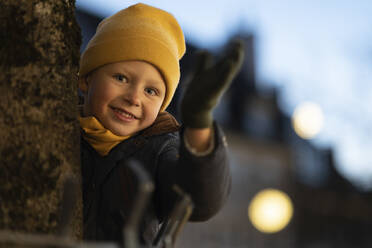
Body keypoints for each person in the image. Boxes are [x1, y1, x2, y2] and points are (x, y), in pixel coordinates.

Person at [78, 2, 244, 246]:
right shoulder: (57, 123)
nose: (134, 98)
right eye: (121, 78)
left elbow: (198, 199)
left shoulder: (159, 150)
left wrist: (198, 121)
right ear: (85, 79)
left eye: (151, 91)